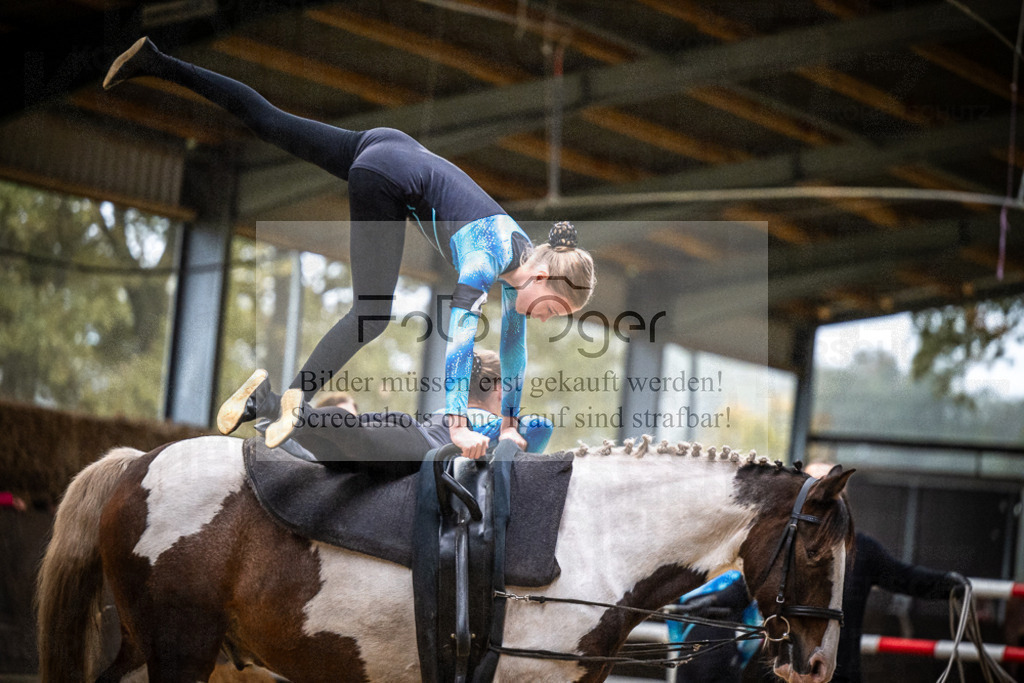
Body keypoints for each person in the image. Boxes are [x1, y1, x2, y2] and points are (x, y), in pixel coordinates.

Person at [103, 37, 595, 460]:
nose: (547, 320)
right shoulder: (487, 257)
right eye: (554, 309)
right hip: (388, 178)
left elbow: (513, 352)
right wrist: (458, 424)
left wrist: (509, 421)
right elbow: (460, 342)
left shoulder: (520, 260)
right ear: (542, 279)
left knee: (269, 120)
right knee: (373, 313)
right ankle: (294, 399)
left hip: (386, 146)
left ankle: (155, 61)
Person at [266, 349, 553, 478]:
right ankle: (291, 414)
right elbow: (542, 427)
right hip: (416, 444)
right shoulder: (489, 426)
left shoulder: (451, 415)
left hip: (404, 429)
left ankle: (267, 407)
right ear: (499, 389)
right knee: (354, 438)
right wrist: (511, 429)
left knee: (333, 454)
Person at [803, 462, 967, 683]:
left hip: (840, 676)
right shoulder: (788, 546)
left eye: (834, 486)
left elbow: (905, 578)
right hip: (791, 674)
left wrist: (950, 585)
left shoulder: (861, 549)